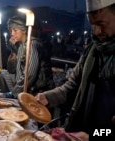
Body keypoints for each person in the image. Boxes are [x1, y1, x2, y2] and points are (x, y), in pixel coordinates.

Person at [35, 0, 115, 137]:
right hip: (81, 127)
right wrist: (47, 97)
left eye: (101, 24)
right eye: (93, 25)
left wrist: (94, 135)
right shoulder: (92, 50)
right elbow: (72, 85)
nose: (96, 31)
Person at [0, 15, 55, 98]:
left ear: (24, 31)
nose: (12, 33)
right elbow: (11, 70)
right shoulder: (21, 46)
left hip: (36, 91)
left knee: (4, 97)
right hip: (23, 85)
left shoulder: (32, 44)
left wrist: (12, 94)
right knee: (4, 74)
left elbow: (29, 75)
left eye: (15, 30)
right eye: (11, 30)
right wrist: (14, 49)